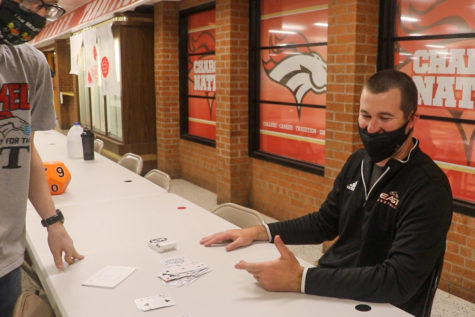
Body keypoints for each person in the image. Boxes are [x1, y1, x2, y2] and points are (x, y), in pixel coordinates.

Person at [201, 69, 453, 317]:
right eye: (365, 115)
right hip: (332, 289)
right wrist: (259, 232)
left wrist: (301, 279)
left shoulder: (429, 186)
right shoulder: (358, 162)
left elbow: (397, 280)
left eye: (385, 118)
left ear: (411, 120)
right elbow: (325, 222)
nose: (372, 128)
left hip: (384, 307)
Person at [0, 1, 83, 316]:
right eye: (31, 2)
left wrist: (53, 224)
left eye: (46, 6)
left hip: (6, 251)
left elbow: (25, 149)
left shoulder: (30, 64)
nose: (36, 14)